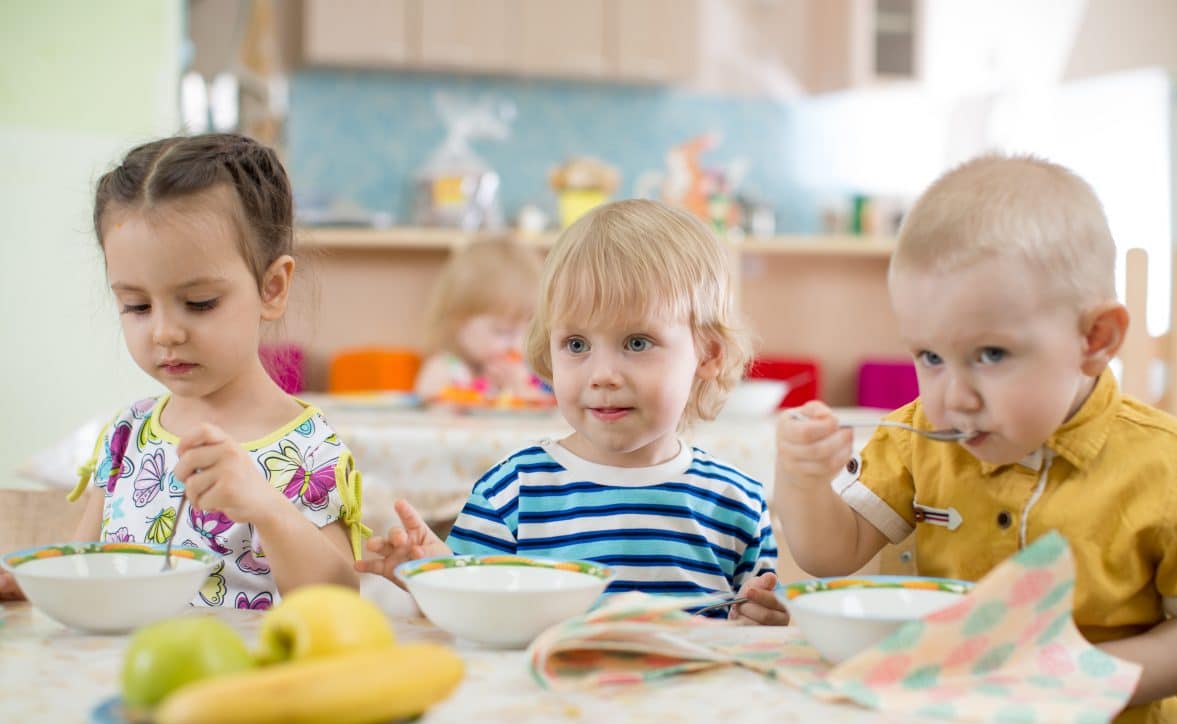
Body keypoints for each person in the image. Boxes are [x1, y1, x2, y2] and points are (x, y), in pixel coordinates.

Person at [775, 154, 1177, 724]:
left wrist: (1085, 673)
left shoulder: (1169, 467)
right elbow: (832, 555)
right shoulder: (918, 439)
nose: (952, 398)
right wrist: (807, 481)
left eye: (990, 355)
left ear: (1095, 339)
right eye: (930, 356)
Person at [359, 199, 788, 624]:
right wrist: (435, 574)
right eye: (577, 345)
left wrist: (759, 621)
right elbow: (473, 614)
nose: (602, 375)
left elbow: (752, 625)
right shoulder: (513, 492)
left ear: (708, 354)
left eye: (637, 342)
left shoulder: (738, 503)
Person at [0, 133, 369, 608]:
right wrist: (34, 582)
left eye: (199, 303)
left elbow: (340, 599)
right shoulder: (127, 433)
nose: (165, 332)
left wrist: (266, 508)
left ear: (272, 288)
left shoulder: (305, 449)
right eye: (136, 305)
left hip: (244, 679)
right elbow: (85, 563)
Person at [414, 236, 548, 403]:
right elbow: (428, 408)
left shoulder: (527, 373)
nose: (517, 345)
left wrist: (519, 390)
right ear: (458, 323)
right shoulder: (446, 369)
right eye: (503, 331)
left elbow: (548, 414)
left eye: (530, 331)